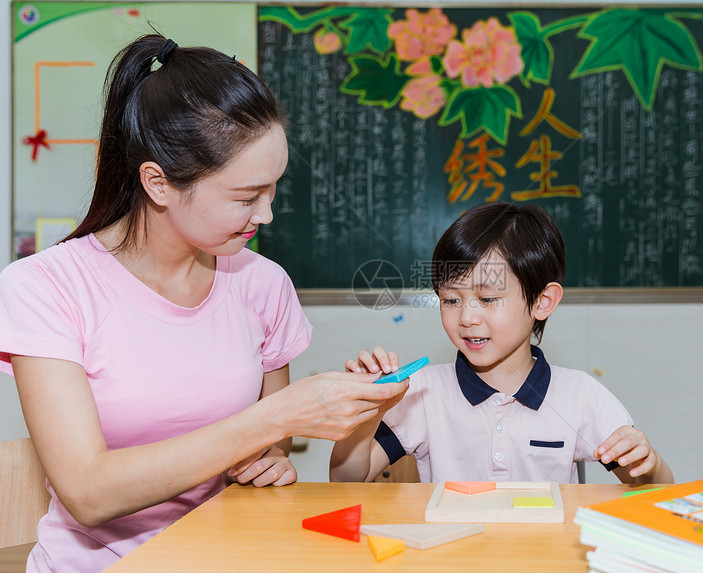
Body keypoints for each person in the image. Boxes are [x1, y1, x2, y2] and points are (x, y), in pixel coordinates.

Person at [0, 35, 407, 572]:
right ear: (159, 183)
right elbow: (88, 492)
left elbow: (268, 451)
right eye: (246, 197)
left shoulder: (263, 285)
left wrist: (272, 460)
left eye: (274, 189)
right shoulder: (45, 287)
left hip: (229, 555)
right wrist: (277, 417)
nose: (265, 215)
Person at [330, 202, 673, 485]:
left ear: (542, 301)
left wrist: (651, 464)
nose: (466, 317)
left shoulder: (580, 396)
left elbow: (654, 489)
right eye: (451, 300)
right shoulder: (421, 392)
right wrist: (366, 415)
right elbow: (345, 481)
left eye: (488, 298)